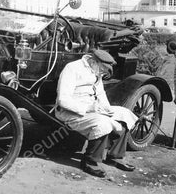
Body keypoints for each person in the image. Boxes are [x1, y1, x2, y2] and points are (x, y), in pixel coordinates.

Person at [55, 49, 138, 177]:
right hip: (72, 112)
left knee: (125, 114)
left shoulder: (95, 69)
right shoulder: (72, 68)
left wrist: (107, 109)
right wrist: (89, 108)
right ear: (93, 62)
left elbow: (100, 93)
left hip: (94, 108)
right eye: (102, 70)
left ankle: (115, 156)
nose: (101, 74)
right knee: (102, 123)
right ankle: (90, 161)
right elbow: (63, 100)